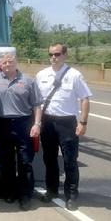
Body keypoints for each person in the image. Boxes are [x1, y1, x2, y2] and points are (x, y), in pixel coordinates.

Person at [36, 42, 92, 211]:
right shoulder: (41, 74)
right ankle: (52, 190)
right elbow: (37, 102)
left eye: (57, 54)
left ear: (65, 55)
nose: (54, 57)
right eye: (51, 54)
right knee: (50, 158)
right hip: (47, 122)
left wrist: (82, 122)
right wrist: (37, 123)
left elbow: (85, 99)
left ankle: (71, 195)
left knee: (70, 160)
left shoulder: (75, 75)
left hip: (67, 122)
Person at [0, 53, 43, 210]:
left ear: (16, 62)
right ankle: (10, 192)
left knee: (25, 161)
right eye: (4, 62)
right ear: (0, 64)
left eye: (10, 61)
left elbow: (37, 104)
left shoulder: (28, 81)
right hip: (1, 124)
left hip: (23, 124)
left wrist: (37, 124)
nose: (7, 64)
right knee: (6, 162)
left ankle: (25, 195)